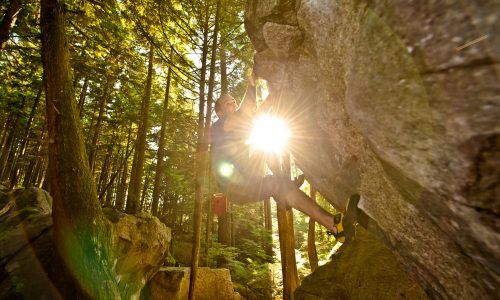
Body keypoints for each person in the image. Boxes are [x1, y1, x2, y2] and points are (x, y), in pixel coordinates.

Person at [210, 73, 359, 238]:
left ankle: (335, 226)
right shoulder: (219, 127)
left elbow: (260, 111)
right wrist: (252, 83)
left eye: (234, 101)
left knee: (279, 180)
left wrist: (275, 94)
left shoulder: (238, 124)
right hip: (234, 186)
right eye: (228, 103)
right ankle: (283, 187)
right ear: (220, 113)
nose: (233, 103)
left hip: (249, 181)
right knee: (263, 147)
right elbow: (246, 112)